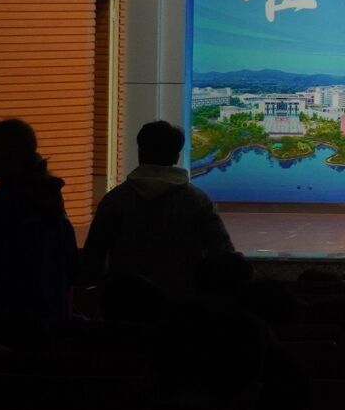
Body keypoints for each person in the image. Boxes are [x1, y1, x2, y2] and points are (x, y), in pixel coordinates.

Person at [80, 120, 233, 299]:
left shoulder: (114, 200)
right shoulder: (198, 201)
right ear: (176, 157)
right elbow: (223, 255)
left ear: (140, 152)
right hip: (182, 303)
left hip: (126, 302)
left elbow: (92, 261)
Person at [0, 118, 77, 324]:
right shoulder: (48, 201)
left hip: (11, 324)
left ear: (9, 155)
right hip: (46, 321)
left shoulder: (8, 211)